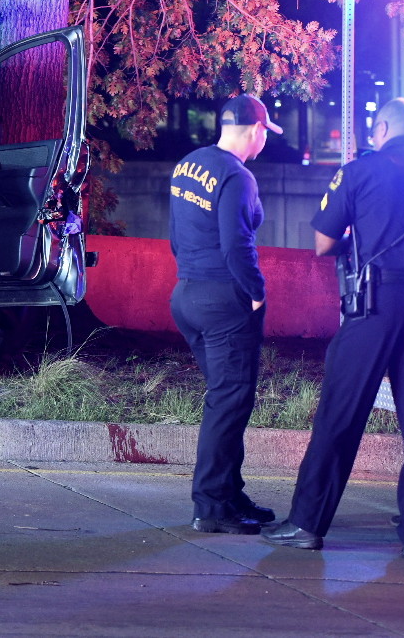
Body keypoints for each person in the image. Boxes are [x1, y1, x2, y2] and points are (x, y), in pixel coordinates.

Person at [262, 97, 404, 558]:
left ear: (381, 128)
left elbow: (322, 243)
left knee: (341, 414)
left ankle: (306, 524)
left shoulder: (360, 173)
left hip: (374, 305)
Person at [169, 94, 282, 535]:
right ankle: (213, 505)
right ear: (255, 130)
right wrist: (255, 292)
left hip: (187, 295)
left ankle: (229, 495)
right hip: (224, 301)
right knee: (229, 402)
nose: (263, 142)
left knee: (225, 400)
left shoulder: (188, 164)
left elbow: (177, 235)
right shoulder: (238, 176)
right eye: (264, 134)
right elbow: (238, 244)